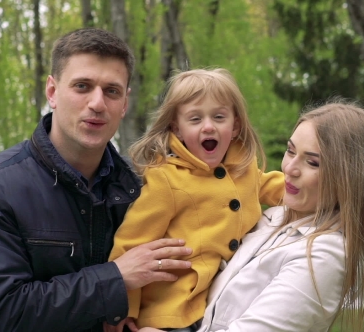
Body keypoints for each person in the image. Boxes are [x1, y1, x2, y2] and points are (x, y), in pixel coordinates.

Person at [0, 28, 193, 332]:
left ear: (125, 104)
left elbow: (186, 287)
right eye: (82, 86)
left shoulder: (146, 189)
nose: (97, 103)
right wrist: (115, 277)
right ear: (52, 92)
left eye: (112, 91)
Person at [138, 101, 364, 332]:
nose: (289, 168)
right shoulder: (273, 217)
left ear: (347, 179)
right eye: (291, 151)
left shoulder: (325, 255)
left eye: (312, 163)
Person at [107, 68, 285, 331]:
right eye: (195, 119)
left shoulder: (244, 168)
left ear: (235, 125)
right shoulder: (167, 180)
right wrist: (123, 308)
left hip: (227, 299)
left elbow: (275, 186)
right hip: (174, 308)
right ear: (177, 129)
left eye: (219, 116)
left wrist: (318, 193)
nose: (209, 126)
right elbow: (131, 244)